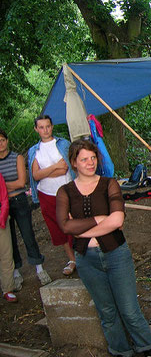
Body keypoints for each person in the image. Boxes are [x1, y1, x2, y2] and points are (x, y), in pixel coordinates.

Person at [56, 140, 151, 357]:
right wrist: (100, 218)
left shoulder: (109, 183)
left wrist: (80, 230)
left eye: (93, 158)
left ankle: (147, 350)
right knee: (107, 312)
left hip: (116, 254)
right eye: (84, 159)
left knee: (130, 310)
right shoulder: (65, 191)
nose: (90, 163)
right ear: (74, 163)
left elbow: (118, 220)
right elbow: (64, 225)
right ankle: (121, 351)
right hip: (86, 259)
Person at [0, 128, 49, 287]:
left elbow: (21, 183)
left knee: (27, 234)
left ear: (7, 141)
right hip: (3, 204)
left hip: (20, 200)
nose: (0, 143)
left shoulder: (17, 158)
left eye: (2, 140)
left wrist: (2, 186)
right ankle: (16, 271)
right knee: (10, 239)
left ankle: (39, 267)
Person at [28, 115, 76, 277]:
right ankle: (72, 260)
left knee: (74, 223)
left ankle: (84, 257)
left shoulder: (62, 145)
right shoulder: (35, 150)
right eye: (41, 127)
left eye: (47, 126)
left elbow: (65, 169)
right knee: (57, 228)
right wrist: (54, 167)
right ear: (36, 129)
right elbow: (35, 175)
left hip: (67, 191)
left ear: (52, 126)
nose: (45, 130)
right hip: (46, 194)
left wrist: (45, 172)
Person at [0, 172, 17, 302]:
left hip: (1, 219)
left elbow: (4, 196)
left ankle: (8, 289)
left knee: (6, 254)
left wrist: (3, 216)